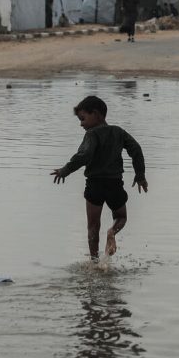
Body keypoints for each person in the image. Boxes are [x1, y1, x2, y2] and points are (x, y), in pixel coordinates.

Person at [51, 95, 148, 260]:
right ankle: (112, 232)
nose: (81, 123)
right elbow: (136, 150)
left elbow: (84, 155)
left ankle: (94, 261)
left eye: (83, 118)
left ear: (96, 114)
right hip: (114, 184)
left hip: (95, 185)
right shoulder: (118, 131)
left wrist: (65, 170)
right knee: (121, 217)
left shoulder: (91, 134)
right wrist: (140, 175)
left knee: (93, 226)